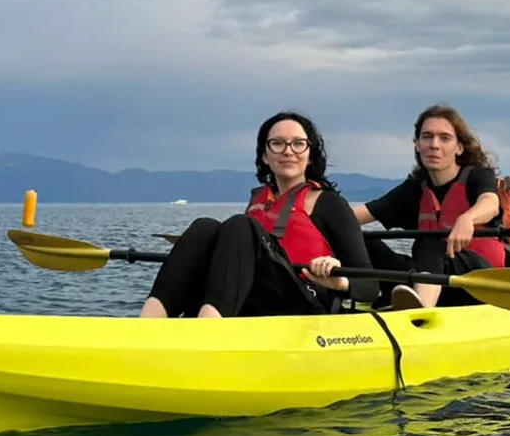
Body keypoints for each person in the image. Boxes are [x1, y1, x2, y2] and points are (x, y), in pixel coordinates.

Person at [139, 111, 380, 318]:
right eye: (277, 143)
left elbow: (370, 286)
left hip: (304, 305)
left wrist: (338, 281)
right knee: (204, 227)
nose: (288, 151)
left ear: (310, 154)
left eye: (298, 144)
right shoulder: (259, 202)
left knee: (238, 225)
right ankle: (150, 321)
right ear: (265, 155)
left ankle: (209, 327)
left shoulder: (330, 204)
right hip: (253, 301)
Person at [353, 103, 506, 310]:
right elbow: (355, 216)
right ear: (417, 144)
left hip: (479, 281)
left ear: (459, 147)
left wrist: (467, 219)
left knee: (430, 241)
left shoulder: (477, 176)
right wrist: (317, 219)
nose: (434, 144)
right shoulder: (415, 188)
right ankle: (358, 300)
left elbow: (490, 203)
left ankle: (420, 313)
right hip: (435, 281)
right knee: (359, 239)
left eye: (444, 138)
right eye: (427, 136)